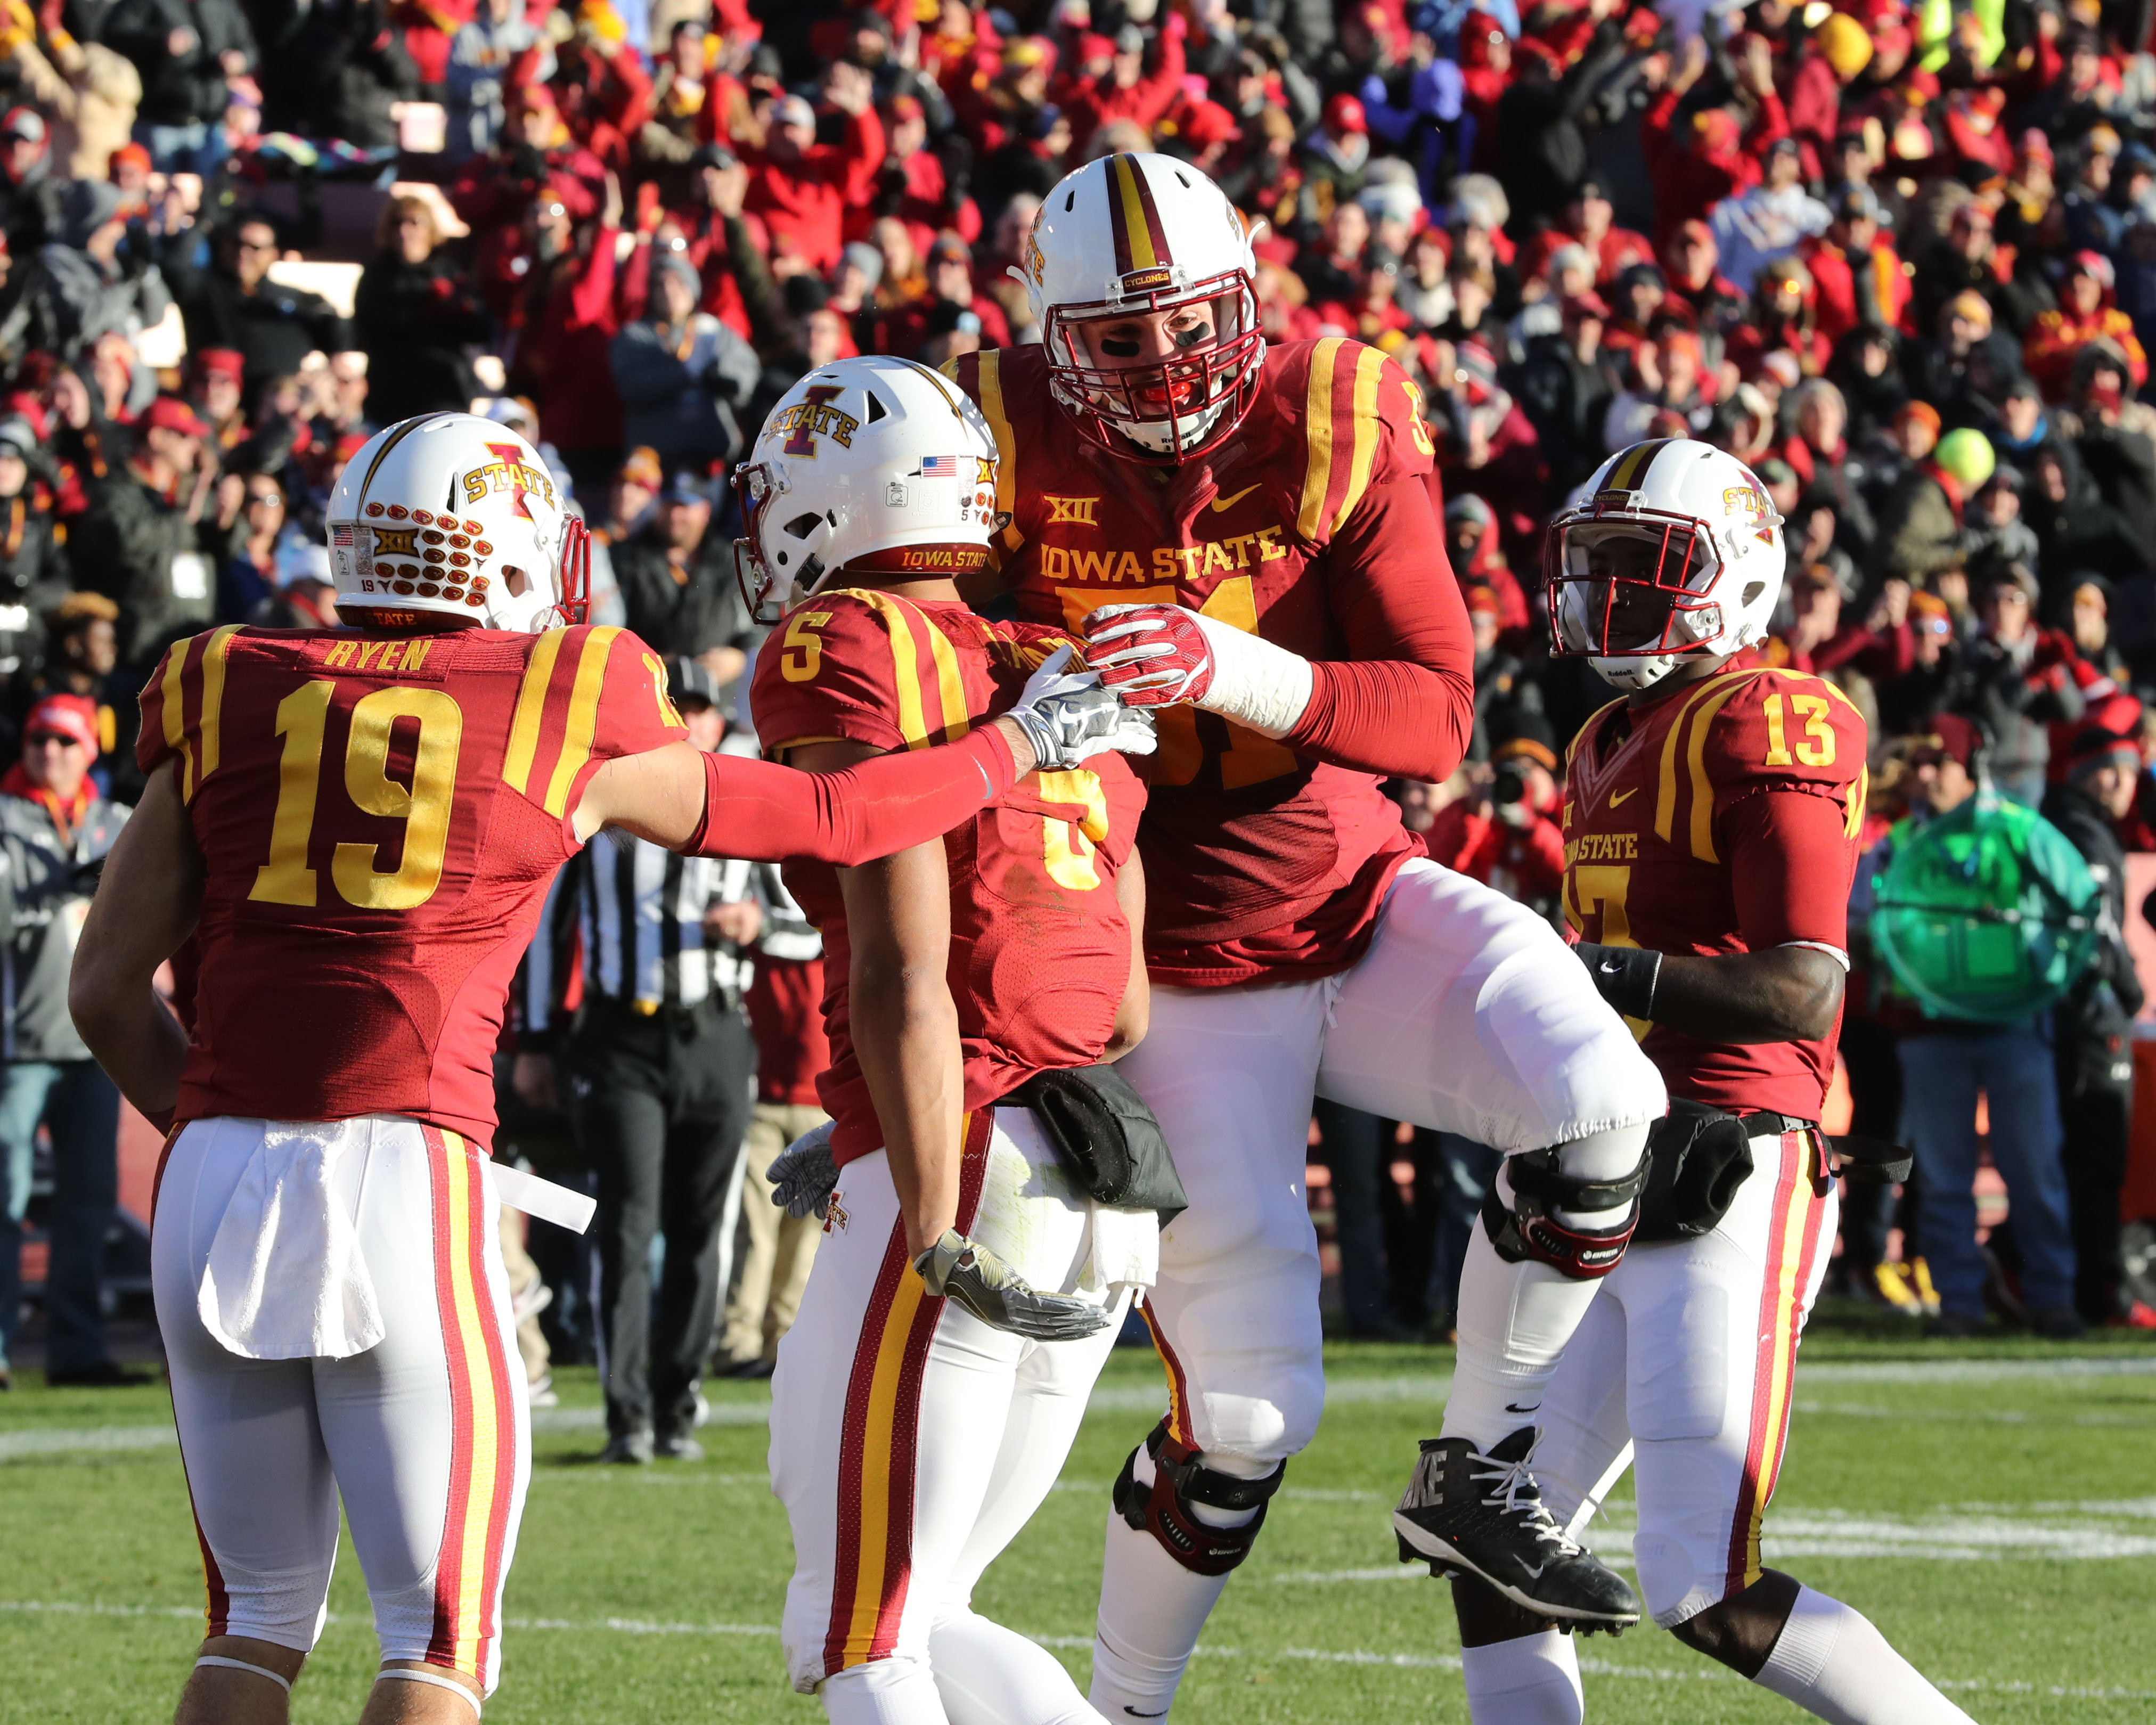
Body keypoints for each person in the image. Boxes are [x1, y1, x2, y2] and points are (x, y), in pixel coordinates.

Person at [65, 408, 1153, 1723]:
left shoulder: (219, 676)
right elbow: (836, 813)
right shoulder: (559, 687)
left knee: (254, 1620)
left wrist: (235, 1133)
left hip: (212, 1172)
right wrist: (1013, 747)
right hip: (405, 1163)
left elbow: (106, 992)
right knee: (433, 1639)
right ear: (515, 551)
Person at [948, 154, 1666, 1719]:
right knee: (1253, 1412)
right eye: (1114, 343)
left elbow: (1431, 704)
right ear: (1043, 332)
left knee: (1602, 1101)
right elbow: (921, 663)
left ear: (1246, 298)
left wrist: (1233, 664)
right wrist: (1034, 678)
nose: (1158, 369)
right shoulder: (986, 421)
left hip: (1348, 891)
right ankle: (1124, 1699)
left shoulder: (1333, 406)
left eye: (1184, 328)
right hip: (1174, 971)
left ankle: (1473, 1464)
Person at [1444, 435, 1974, 1724]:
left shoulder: (1769, 714)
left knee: (1700, 1582)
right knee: (1490, 1540)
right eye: (1603, 564)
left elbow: (1803, 986)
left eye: (1646, 565)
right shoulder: (1599, 740)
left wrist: (1592, 973)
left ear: (1732, 577)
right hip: (1607, 1157)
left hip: (1732, 1163)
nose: (1611, 592)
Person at [739, 356, 1159, 1724]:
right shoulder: (1044, 661)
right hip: (1097, 1169)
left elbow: (911, 967)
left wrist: (922, 1200)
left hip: (965, 1158)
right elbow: (1123, 1000)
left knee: (862, 1630)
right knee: (915, 1607)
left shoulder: (847, 643)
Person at [552, 653, 765, 1465]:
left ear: (718, 722)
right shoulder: (595, 791)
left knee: (699, 1229)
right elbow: (550, 923)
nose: (689, 724)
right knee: (628, 1223)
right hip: (622, 1036)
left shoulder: (751, 788)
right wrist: (538, 1037)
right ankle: (627, 1416)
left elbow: (806, 919)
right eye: (674, 708)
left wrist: (756, 923)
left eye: (701, 711)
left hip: (715, 1028)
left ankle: (679, 1404)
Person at [0, 693, 132, 1390]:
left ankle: (76, 1352)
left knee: (88, 1205)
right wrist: (52, 894)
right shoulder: (5, 819)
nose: (47, 752)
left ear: (89, 750)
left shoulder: (116, 822)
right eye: (36, 739)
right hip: (16, 1042)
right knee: (5, 1199)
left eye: (63, 740)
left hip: (96, 1046)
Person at [2040, 722, 2144, 1328]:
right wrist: (2128, 991)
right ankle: (2099, 1288)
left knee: (2074, 1154)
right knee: (2096, 1154)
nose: (2126, 784)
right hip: (2086, 1014)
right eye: (2116, 770)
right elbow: (2094, 927)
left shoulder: (2066, 822)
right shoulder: (2081, 830)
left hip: (2064, 1011)